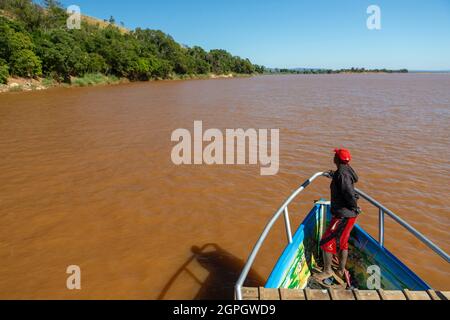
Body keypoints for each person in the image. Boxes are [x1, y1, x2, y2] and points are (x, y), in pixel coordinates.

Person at [314, 148, 360, 284]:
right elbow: (351, 179)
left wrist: (354, 207)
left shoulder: (342, 174)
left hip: (343, 215)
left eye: (335, 156)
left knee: (326, 241)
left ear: (337, 160)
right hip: (348, 215)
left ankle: (328, 270)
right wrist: (334, 174)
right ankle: (340, 270)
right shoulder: (346, 170)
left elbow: (348, 193)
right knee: (343, 242)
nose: (333, 157)